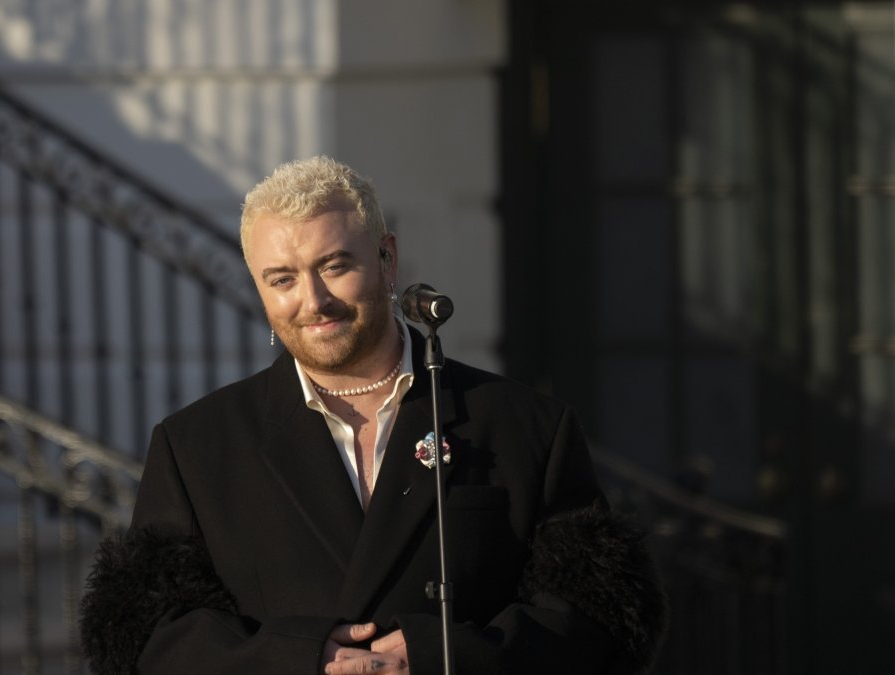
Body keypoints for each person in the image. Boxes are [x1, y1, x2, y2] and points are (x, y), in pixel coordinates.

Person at [80, 156, 666, 675]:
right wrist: (300, 658)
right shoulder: (195, 446)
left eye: (334, 266)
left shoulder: (525, 426)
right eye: (282, 279)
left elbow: (598, 620)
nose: (313, 301)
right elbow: (152, 640)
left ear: (387, 258)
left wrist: (443, 657)